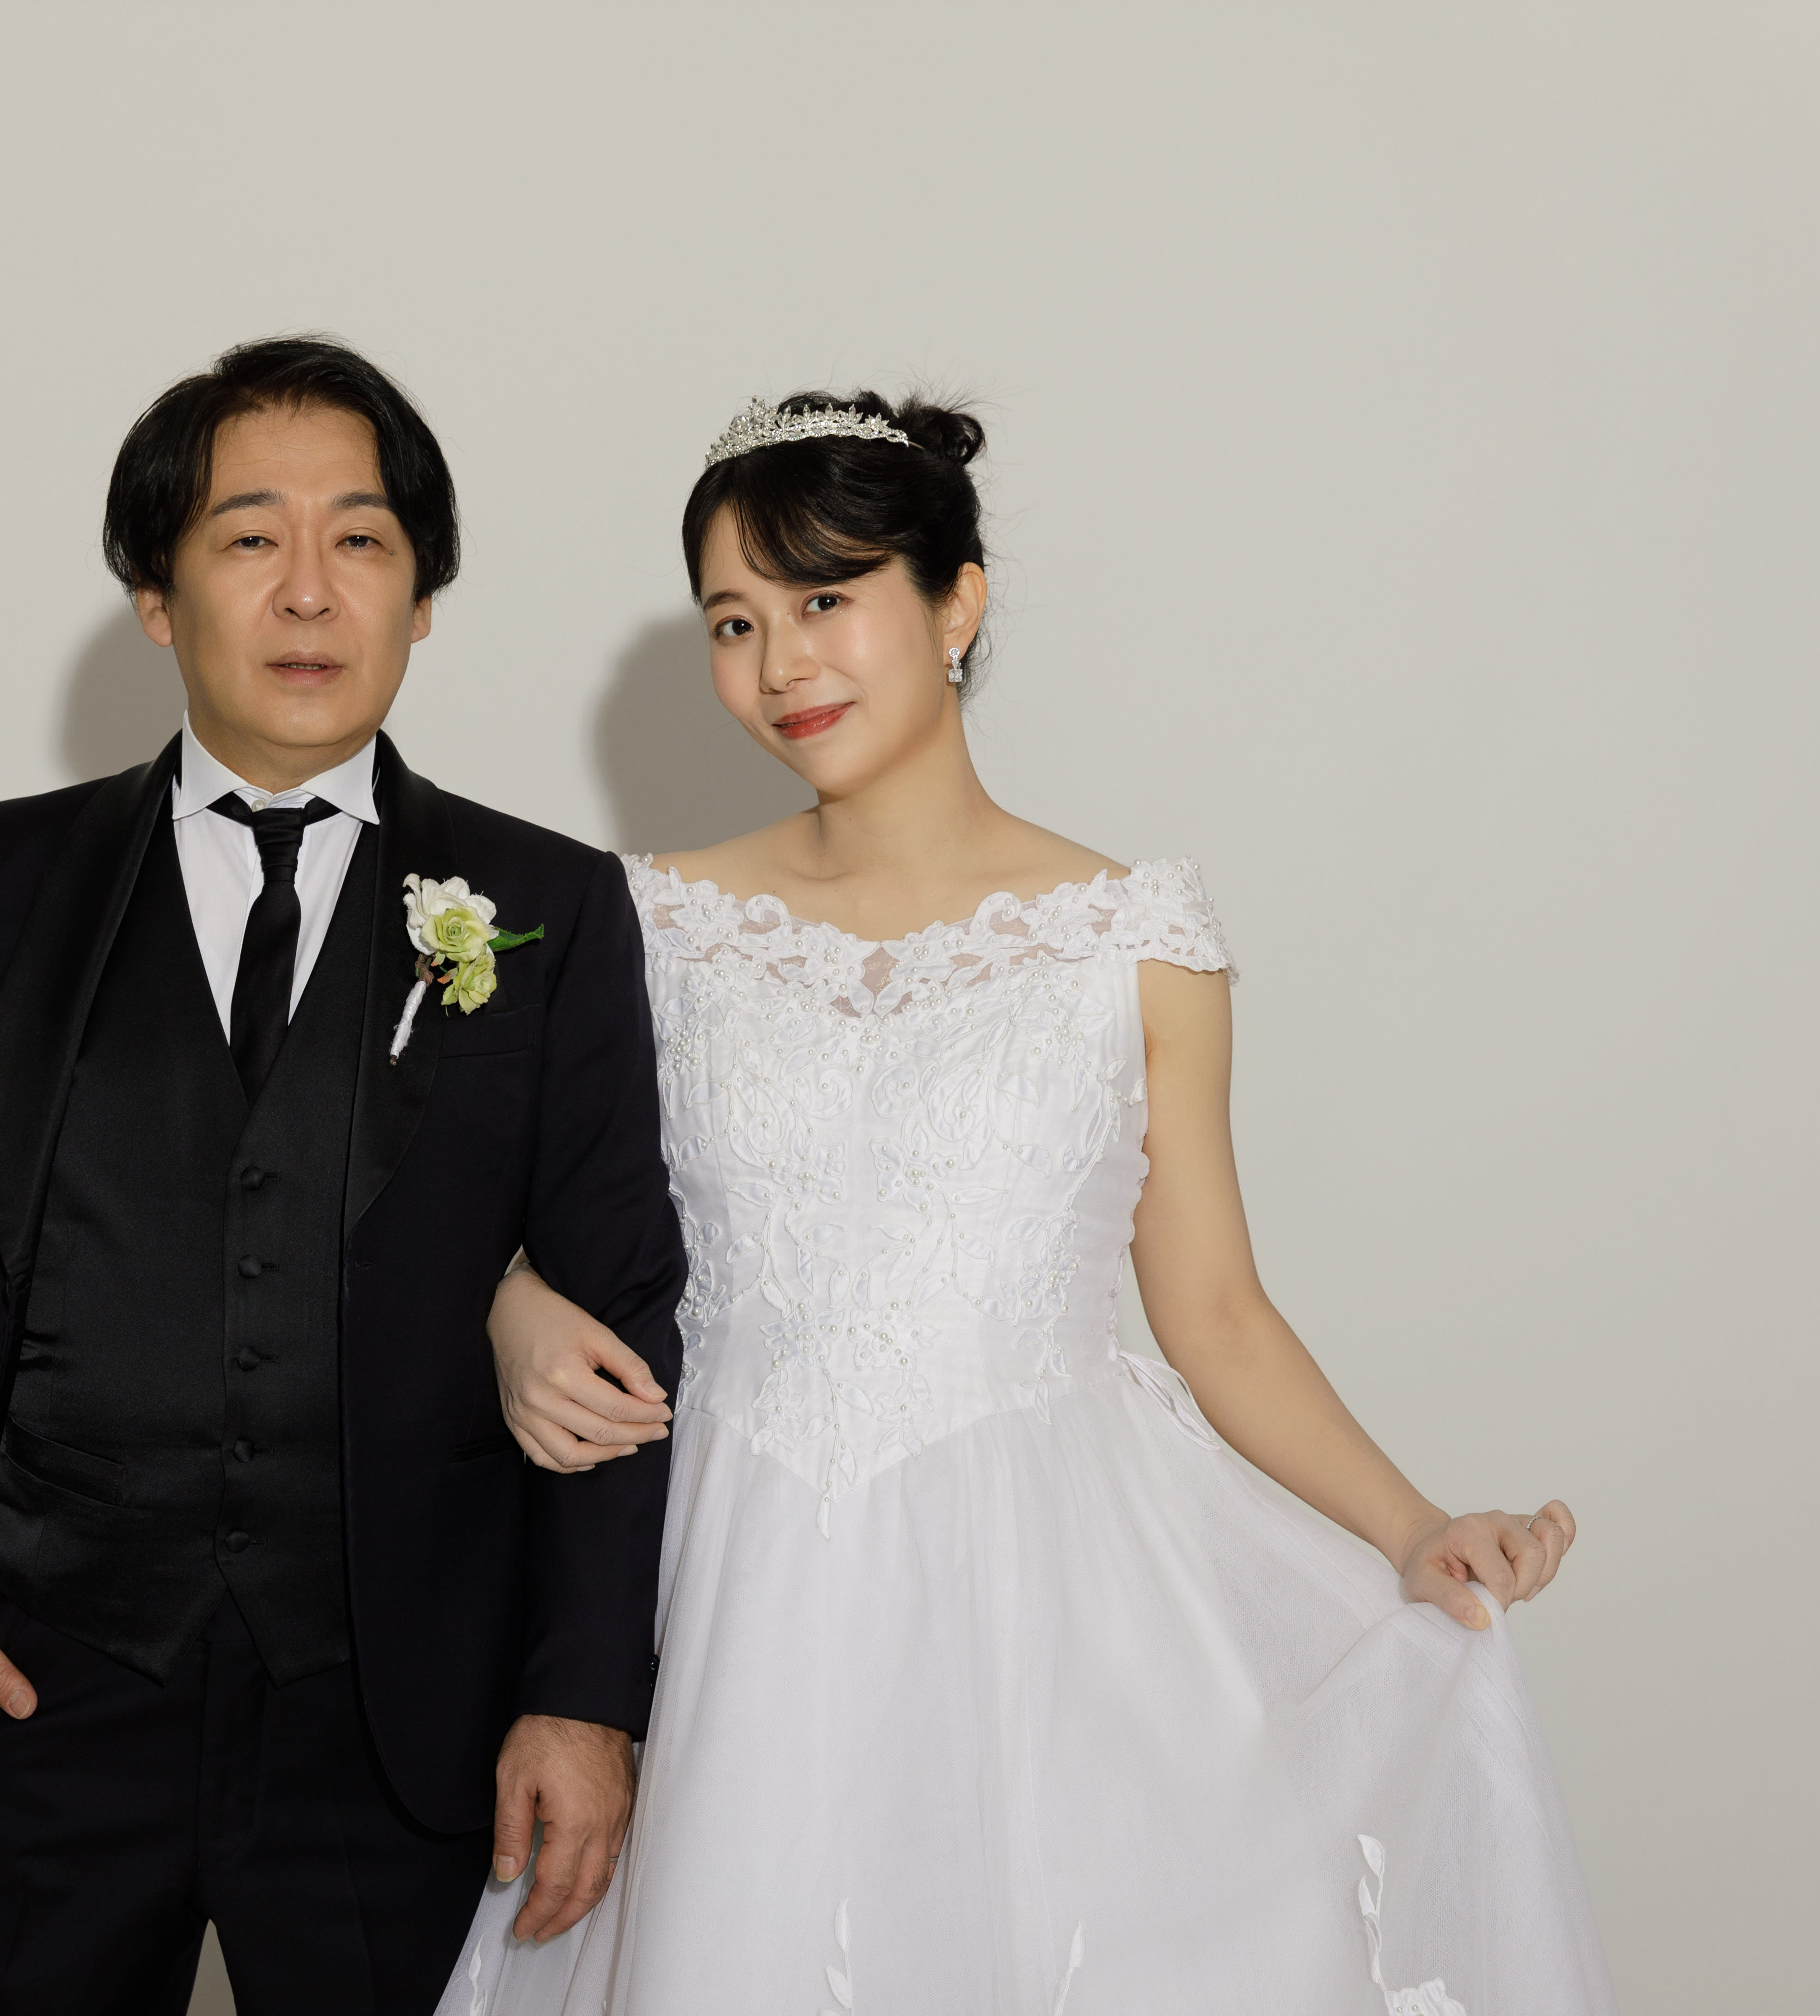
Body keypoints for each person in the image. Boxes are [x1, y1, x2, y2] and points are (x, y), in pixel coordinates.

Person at [435, 393, 1618, 2013]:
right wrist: (509, 1301)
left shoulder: (1136, 937)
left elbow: (1216, 1311)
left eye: (825, 597)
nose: (781, 664)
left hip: (1050, 1586)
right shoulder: (643, 927)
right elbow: (505, 1218)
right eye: (734, 621)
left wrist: (1412, 1527)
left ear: (959, 602)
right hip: (729, 1576)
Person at [0, 337, 683, 2016]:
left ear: (422, 597)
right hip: (52, 1694)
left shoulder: (549, 907)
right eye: (249, 537)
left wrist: (585, 1694)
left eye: (361, 539)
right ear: (157, 595)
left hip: (404, 1726)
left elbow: (623, 1315)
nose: (309, 591)